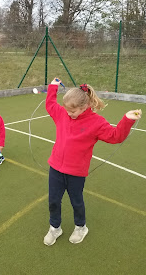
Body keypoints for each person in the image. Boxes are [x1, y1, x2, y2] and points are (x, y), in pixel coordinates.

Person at [44, 78, 142, 246]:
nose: (68, 114)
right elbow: (50, 104)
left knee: (76, 202)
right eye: (67, 110)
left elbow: (115, 136)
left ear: (85, 107)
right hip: (56, 169)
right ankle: (55, 228)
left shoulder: (96, 123)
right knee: (53, 200)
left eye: (73, 111)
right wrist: (53, 86)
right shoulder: (62, 113)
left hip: (76, 173)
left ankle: (81, 227)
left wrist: (127, 119)